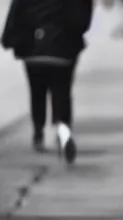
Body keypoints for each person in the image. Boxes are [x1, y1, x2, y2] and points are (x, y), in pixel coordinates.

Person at [1, 0, 93, 163]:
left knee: (37, 92)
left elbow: (15, 15)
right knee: (62, 92)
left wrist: (9, 39)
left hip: (33, 49)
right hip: (64, 49)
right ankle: (63, 132)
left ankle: (38, 134)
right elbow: (82, 19)